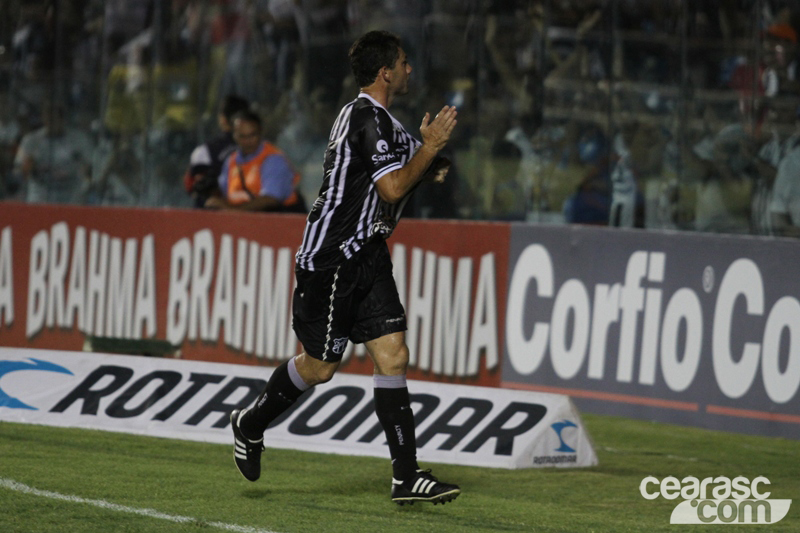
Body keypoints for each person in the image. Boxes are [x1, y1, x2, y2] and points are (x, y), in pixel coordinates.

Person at [228, 30, 461, 506]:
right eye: (404, 62)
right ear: (385, 72)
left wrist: (432, 158)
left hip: (367, 256)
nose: (409, 70)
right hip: (332, 259)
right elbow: (394, 188)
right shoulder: (364, 118)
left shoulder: (385, 124)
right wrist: (429, 148)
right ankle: (249, 424)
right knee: (320, 368)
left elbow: (417, 171)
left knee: (393, 355)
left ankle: (406, 477)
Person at [204, 109, 305, 212]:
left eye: (252, 135)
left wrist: (233, 211)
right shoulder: (230, 161)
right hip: (242, 222)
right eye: (242, 136)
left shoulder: (273, 159)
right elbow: (224, 193)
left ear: (261, 132)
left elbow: (271, 199)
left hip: (278, 221)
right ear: (234, 136)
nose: (248, 141)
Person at [184, 95, 250, 207]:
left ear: (223, 119)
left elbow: (191, 185)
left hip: (210, 217)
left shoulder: (205, 151)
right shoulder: (258, 147)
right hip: (251, 213)